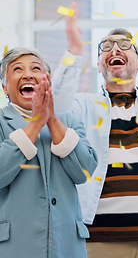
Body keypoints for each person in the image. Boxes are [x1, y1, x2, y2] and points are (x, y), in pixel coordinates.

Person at [50, 2, 138, 258]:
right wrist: (73, 51)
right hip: (99, 237)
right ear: (99, 64)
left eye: (125, 45)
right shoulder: (83, 104)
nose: (115, 48)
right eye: (106, 47)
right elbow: (55, 109)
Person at [0, 47, 97, 258]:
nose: (28, 74)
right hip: (15, 247)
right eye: (17, 69)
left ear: (47, 83)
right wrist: (36, 123)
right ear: (5, 88)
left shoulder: (69, 121)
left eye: (36, 68)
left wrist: (52, 120)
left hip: (67, 246)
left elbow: (84, 172)